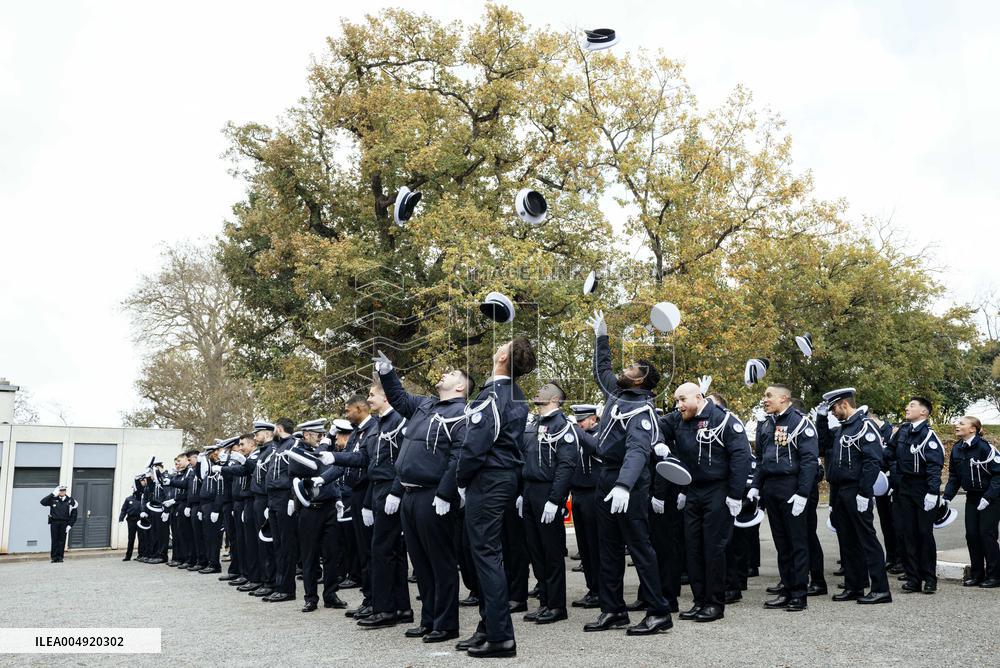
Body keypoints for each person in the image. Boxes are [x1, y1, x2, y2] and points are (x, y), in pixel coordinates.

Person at [582, 310, 673, 635]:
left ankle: (659, 612)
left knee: (640, 548)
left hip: (629, 484)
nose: (625, 369)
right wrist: (601, 337)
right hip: (607, 478)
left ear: (641, 379)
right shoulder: (618, 396)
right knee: (607, 548)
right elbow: (601, 369)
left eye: (632, 368)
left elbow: (637, 451)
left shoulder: (641, 408)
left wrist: (623, 485)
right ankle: (613, 609)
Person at [374, 354, 471, 642]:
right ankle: (428, 618)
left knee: (440, 563)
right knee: (421, 563)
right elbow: (400, 399)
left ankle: (446, 624)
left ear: (461, 388)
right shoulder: (426, 405)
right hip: (410, 494)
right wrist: (388, 373)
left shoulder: (461, 413)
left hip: (434, 496)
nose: (445, 374)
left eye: (452, 372)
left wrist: (445, 492)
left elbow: (459, 455)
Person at [454, 336, 535, 659]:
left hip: (488, 478)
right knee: (488, 554)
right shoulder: (514, 393)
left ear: (503, 357)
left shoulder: (494, 394)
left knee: (486, 556)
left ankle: (501, 636)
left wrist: (461, 479)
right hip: (501, 478)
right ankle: (488, 627)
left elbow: (476, 444)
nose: (497, 345)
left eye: (503, 344)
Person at [665, 382, 751, 622]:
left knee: (713, 549)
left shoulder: (723, 420)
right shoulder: (680, 418)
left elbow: (741, 457)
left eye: (682, 399)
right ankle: (699, 600)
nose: (678, 405)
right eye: (676, 401)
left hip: (718, 490)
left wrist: (735, 495)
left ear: (699, 397)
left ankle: (715, 603)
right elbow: (657, 426)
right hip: (693, 490)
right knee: (693, 549)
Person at [816, 388, 891, 604]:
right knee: (847, 541)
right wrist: (821, 419)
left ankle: (880, 589)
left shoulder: (864, 426)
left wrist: (864, 493)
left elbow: (872, 462)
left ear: (844, 404)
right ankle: (854, 586)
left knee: (867, 540)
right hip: (840, 489)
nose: (832, 413)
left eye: (833, 409)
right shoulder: (844, 428)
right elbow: (824, 446)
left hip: (856, 489)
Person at [748, 384, 818, 611]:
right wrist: (755, 486)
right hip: (772, 487)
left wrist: (802, 493)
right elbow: (761, 459)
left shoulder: (800, 423)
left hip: (791, 486)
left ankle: (799, 593)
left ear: (784, 398)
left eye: (769, 396)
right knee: (782, 544)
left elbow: (809, 462)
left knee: (797, 543)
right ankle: (786, 589)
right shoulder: (767, 423)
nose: (765, 399)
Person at [519, 382, 577, 625]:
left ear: (555, 398)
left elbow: (566, 466)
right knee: (535, 550)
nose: (538, 390)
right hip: (531, 490)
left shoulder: (562, 426)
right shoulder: (534, 425)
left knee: (551, 551)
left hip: (548, 492)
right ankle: (544, 601)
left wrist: (556, 499)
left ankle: (556, 605)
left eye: (543, 388)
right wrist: (523, 493)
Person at [886, 397, 943, 594]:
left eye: (912, 405)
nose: (907, 408)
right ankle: (913, 578)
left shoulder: (928, 436)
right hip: (904, 487)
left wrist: (933, 492)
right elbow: (889, 454)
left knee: (924, 534)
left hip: (923, 488)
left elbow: (935, 466)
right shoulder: (902, 431)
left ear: (924, 412)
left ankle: (929, 578)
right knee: (906, 533)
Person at [294, 419, 348, 612]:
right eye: (318, 435)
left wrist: (338, 496)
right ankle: (310, 597)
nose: (321, 438)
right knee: (310, 556)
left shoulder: (325, 450)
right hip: (310, 509)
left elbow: (333, 475)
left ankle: (331, 594)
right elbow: (314, 469)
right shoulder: (298, 453)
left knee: (332, 554)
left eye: (323, 435)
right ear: (307, 435)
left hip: (329, 507)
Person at [944, 416, 1000, 588]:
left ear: (973, 429)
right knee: (972, 535)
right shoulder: (957, 449)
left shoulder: (986, 448)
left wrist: (988, 497)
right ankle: (977, 574)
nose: (956, 425)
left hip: (991, 496)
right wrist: (946, 497)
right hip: (973, 497)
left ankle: (995, 575)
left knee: (986, 534)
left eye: (961, 423)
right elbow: (954, 477)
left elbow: (998, 475)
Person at [338, 395, 379, 618]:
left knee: (370, 550)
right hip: (355, 493)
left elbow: (365, 461)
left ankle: (375, 599)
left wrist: (333, 457)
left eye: (348, 411)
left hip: (367, 492)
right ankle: (369, 597)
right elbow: (345, 461)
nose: (347, 414)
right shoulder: (356, 433)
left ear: (359, 408)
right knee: (363, 550)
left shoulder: (373, 428)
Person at [568, 404, 601, 609]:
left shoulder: (599, 434)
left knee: (595, 544)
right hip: (578, 492)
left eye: (583, 419)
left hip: (594, 493)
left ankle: (600, 589)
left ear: (593, 419)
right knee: (584, 546)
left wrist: (578, 433)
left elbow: (595, 449)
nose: (579, 423)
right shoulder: (580, 434)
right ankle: (592, 588)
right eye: (577, 420)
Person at [264, 418, 300, 602]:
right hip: (273, 498)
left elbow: (296, 473)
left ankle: (287, 589)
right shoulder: (278, 447)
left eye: (274, 430)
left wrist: (293, 498)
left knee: (286, 546)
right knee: (277, 545)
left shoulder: (293, 444)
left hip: (285, 497)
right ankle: (280, 585)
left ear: (279, 428)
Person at [41, 485, 77, 563]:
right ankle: (54, 557)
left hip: (64, 523)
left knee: (62, 540)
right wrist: (52, 494)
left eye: (63, 491)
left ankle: (60, 557)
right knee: (54, 540)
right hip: (54, 522)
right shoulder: (53, 499)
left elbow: (74, 514)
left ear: (65, 491)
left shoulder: (70, 500)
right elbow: (42, 502)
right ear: (58, 491)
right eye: (60, 491)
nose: (62, 492)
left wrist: (70, 525)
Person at [119, 477, 144, 561]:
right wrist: (121, 518)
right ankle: (128, 555)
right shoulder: (128, 499)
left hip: (140, 520)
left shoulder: (142, 498)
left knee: (141, 538)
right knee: (131, 538)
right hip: (131, 520)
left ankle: (141, 555)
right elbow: (124, 509)